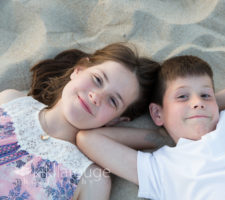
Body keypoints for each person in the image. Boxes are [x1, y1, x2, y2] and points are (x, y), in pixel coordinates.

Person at [77, 55, 225, 199]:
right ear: (157, 113)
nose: (197, 101)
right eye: (182, 96)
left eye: (205, 94)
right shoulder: (162, 169)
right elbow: (88, 139)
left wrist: (208, 108)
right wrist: (161, 134)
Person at [0, 43, 160, 199]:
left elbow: (161, 138)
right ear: (78, 70)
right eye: (98, 79)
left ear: (116, 120)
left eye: (113, 101)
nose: (96, 96)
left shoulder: (92, 180)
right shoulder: (10, 101)